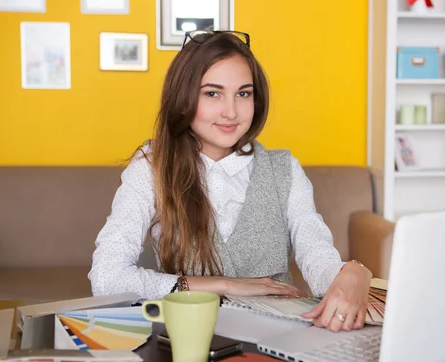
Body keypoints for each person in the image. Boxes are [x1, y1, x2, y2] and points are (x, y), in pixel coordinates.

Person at [88, 30, 372, 333]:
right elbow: (107, 277)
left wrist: (351, 274)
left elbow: (316, 255)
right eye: (212, 93)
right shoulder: (151, 166)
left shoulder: (285, 169)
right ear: (183, 99)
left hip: (278, 338)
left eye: (243, 93)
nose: (231, 111)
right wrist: (223, 285)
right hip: (190, 337)